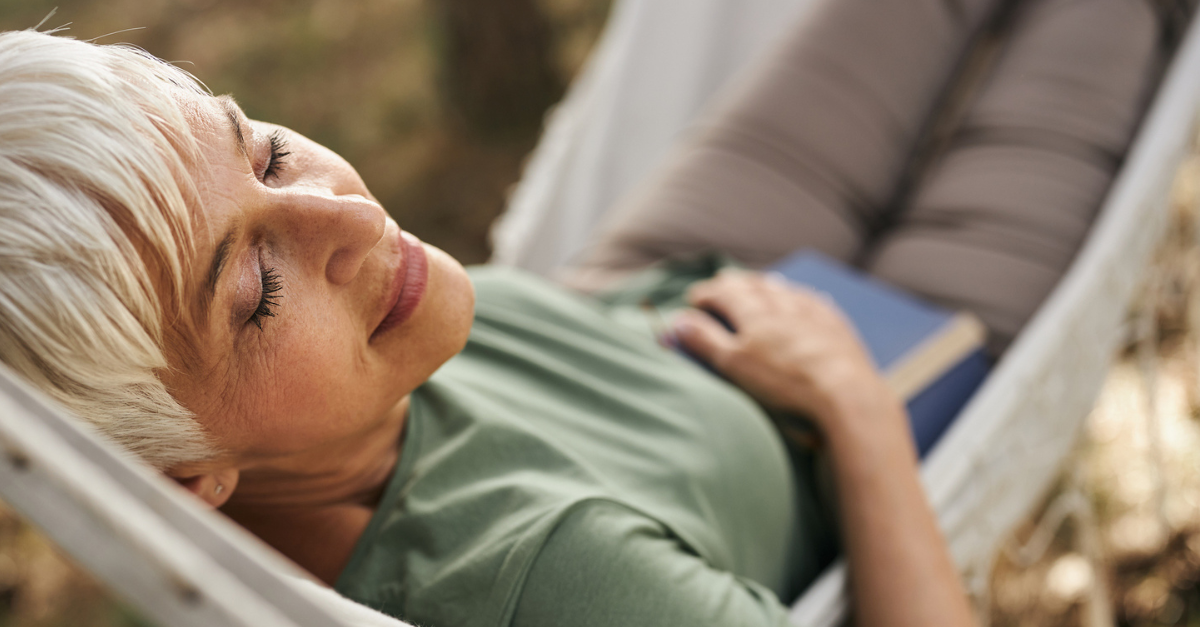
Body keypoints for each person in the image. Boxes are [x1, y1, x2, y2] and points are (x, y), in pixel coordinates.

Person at [0, 0, 1165, 624]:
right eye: (256, 290)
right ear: (176, 478)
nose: (347, 222)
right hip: (869, 353)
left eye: (266, 150)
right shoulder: (542, 584)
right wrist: (852, 402)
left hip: (640, 291)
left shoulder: (355, 371)